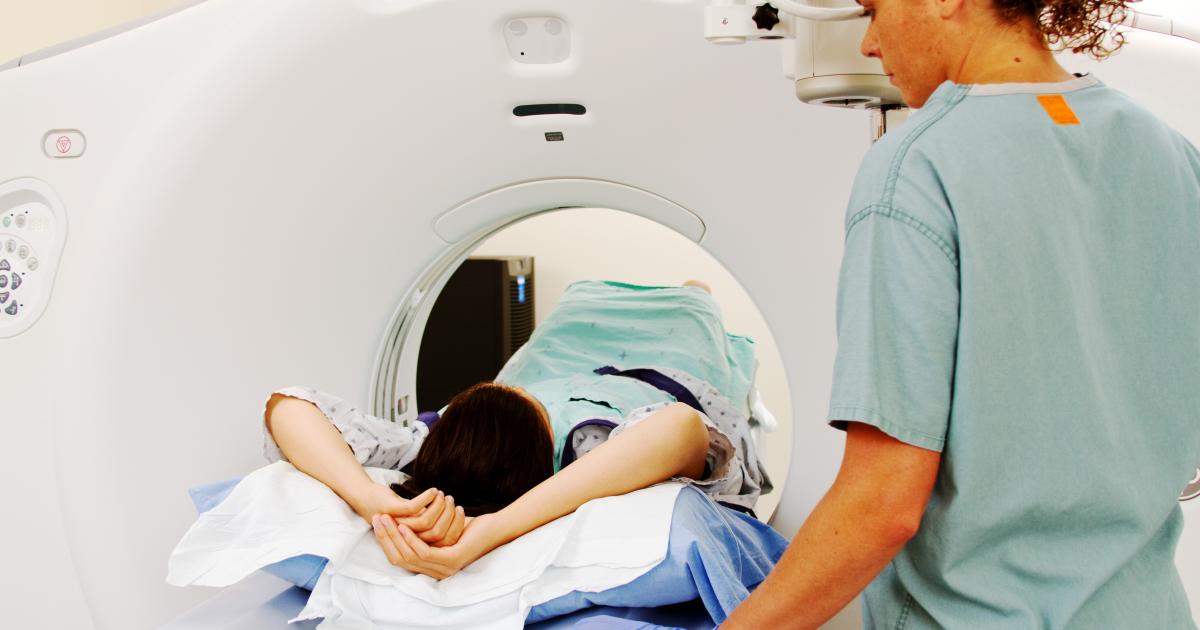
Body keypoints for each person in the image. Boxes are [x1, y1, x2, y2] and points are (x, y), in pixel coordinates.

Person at [720, 0, 1200, 628]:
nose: (868, 43)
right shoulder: (1172, 152)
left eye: (874, 10)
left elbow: (882, 504)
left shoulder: (916, 168)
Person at [265, 279, 772, 579]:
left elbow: (289, 404)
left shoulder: (430, 444)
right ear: (543, 439)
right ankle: (694, 294)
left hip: (556, 354)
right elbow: (681, 427)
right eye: (531, 406)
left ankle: (625, 293)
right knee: (693, 301)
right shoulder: (590, 450)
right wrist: (493, 530)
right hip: (660, 363)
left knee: (581, 294)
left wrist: (371, 498)